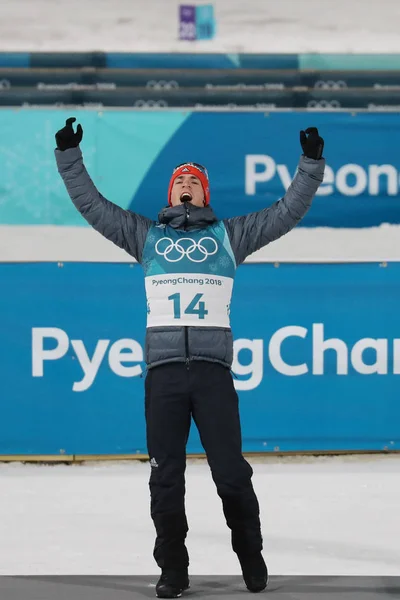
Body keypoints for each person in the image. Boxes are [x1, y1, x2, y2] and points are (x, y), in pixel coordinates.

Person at [55, 117, 325, 599]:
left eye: (193, 182)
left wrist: (310, 163)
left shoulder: (229, 236)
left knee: (231, 474)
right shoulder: (146, 237)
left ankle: (250, 554)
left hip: (212, 375)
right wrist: (69, 156)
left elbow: (286, 212)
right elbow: (94, 208)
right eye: (179, 180)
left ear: (204, 195)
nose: (184, 185)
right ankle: (173, 570)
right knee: (165, 479)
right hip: (163, 378)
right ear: (170, 192)